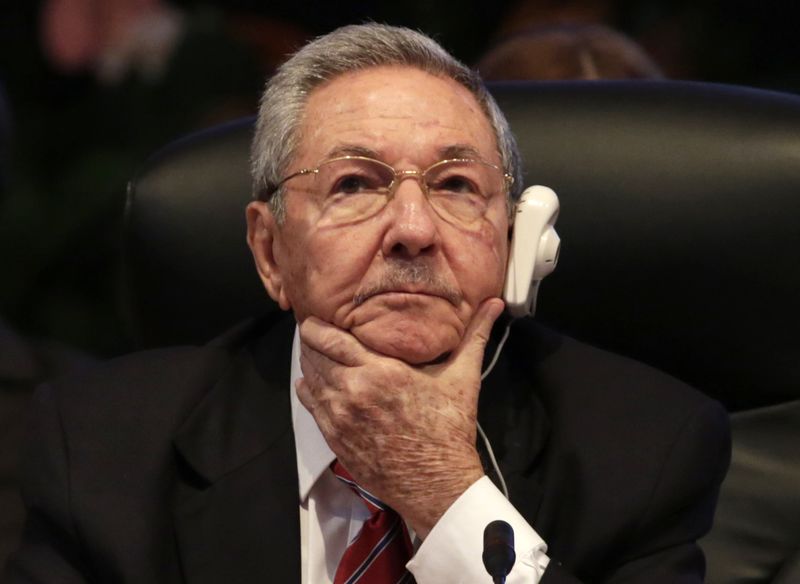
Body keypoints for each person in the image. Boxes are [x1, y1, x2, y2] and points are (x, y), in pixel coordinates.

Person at [5, 24, 729, 583]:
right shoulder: (101, 451)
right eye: (354, 184)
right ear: (268, 252)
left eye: (455, 187)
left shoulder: (645, 451)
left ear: (514, 240)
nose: (413, 230)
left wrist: (443, 493)